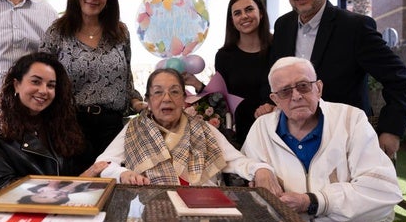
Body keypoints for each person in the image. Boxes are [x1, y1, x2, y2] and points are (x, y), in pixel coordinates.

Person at [242, 57, 403, 222]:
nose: (296, 95)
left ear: (318, 88)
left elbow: (383, 191)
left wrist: (314, 201)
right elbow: (242, 173)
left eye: (303, 86)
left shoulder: (352, 120)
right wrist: (258, 169)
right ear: (275, 99)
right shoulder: (261, 129)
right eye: (285, 91)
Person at [269, 0, 406, 158]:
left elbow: (399, 79)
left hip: (347, 142)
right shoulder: (283, 26)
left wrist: (390, 130)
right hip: (294, 142)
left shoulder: (355, 27)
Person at [96, 68, 280, 189]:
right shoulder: (134, 129)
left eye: (174, 91)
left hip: (204, 206)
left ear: (184, 99)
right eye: (158, 92)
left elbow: (236, 161)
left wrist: (260, 169)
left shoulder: (203, 129)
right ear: (149, 101)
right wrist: (123, 174)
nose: (166, 98)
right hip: (153, 206)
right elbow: (103, 164)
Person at [39, 0, 145, 163]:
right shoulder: (57, 32)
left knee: (113, 186)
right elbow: (40, 79)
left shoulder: (120, 32)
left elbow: (126, 79)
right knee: (78, 191)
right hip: (70, 127)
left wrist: (137, 102)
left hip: (112, 129)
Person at [0, 52, 107, 195]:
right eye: (36, 82)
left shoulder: (61, 121)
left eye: (51, 85)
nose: (44, 91)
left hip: (64, 206)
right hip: (15, 210)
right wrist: (75, 183)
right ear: (16, 85)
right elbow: (4, 186)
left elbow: (83, 167)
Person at [183, 0, 274, 145]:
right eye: (237, 13)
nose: (244, 16)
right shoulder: (225, 56)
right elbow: (221, 100)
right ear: (232, 20)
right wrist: (197, 84)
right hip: (244, 136)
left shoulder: (279, 47)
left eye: (249, 9)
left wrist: (272, 105)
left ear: (261, 13)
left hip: (278, 129)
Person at [17, 180, 103, 205]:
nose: (55, 195)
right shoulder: (81, 192)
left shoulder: (33, 186)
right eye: (56, 199)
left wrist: (53, 184)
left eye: (43, 197)